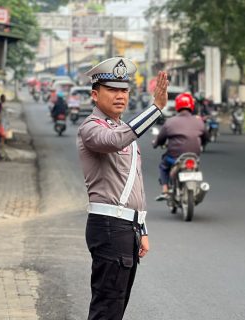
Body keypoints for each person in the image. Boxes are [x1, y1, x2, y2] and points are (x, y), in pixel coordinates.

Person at [77, 57, 169, 320]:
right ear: (95, 95)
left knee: (117, 305)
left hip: (126, 228)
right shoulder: (91, 128)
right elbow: (115, 140)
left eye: (124, 90)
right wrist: (156, 109)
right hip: (108, 226)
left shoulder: (122, 129)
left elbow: (133, 185)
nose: (120, 96)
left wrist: (142, 228)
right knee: (107, 307)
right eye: (112, 90)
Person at [152, 92, 208, 201]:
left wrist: (155, 143)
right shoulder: (199, 121)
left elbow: (160, 139)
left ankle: (165, 190)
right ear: (192, 105)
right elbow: (206, 137)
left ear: (177, 106)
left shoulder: (170, 122)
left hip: (174, 159)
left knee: (164, 165)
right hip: (194, 157)